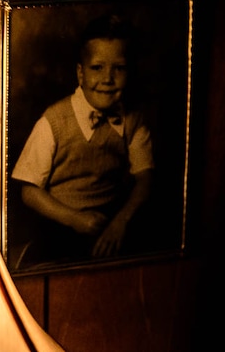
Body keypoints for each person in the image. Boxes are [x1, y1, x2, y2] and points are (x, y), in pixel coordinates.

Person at [11, 14, 154, 267]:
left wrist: (120, 222)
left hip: (112, 221)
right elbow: (29, 191)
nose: (108, 79)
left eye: (119, 68)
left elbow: (146, 179)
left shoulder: (133, 119)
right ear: (80, 73)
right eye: (97, 68)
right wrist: (74, 219)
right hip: (60, 223)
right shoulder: (54, 121)